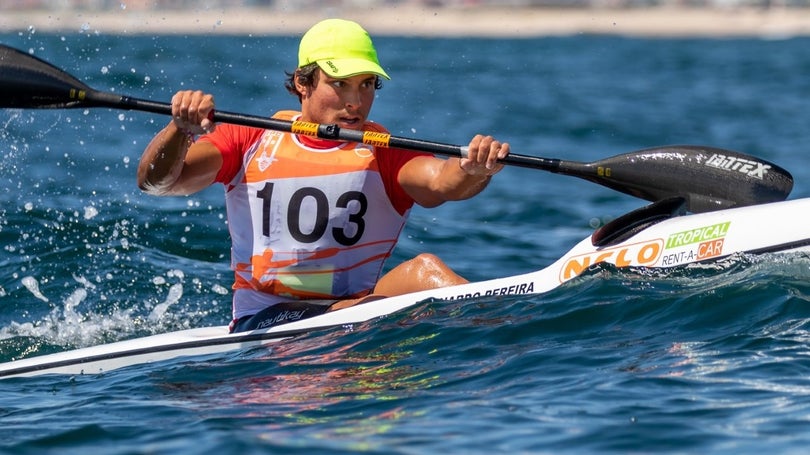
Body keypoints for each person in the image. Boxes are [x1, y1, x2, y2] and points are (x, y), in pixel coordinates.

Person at [137, 18, 510, 333]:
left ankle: (499, 333)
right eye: (340, 84)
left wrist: (473, 169)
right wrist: (181, 131)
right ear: (303, 83)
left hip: (353, 313)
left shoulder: (382, 148)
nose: (356, 101)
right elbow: (158, 182)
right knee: (356, 317)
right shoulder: (250, 138)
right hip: (264, 319)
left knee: (427, 271)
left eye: (366, 84)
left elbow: (441, 183)